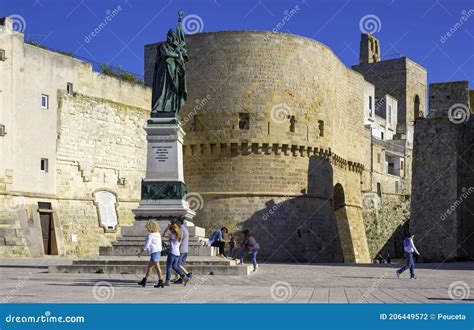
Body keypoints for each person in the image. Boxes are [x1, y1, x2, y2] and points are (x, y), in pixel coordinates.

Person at [137, 220, 164, 288]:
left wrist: (141, 252)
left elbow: (147, 245)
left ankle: (160, 281)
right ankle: (145, 280)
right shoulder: (158, 234)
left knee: (157, 267)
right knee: (150, 267)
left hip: (154, 252)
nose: (147, 229)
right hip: (157, 252)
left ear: (151, 227)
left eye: (148, 227)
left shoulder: (150, 235)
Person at [174, 218, 192, 284]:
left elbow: (180, 239)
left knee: (177, 265)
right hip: (185, 249)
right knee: (180, 264)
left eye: (176, 222)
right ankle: (180, 278)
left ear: (179, 222)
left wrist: (177, 247)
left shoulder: (181, 229)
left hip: (181, 249)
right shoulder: (185, 229)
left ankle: (188, 274)